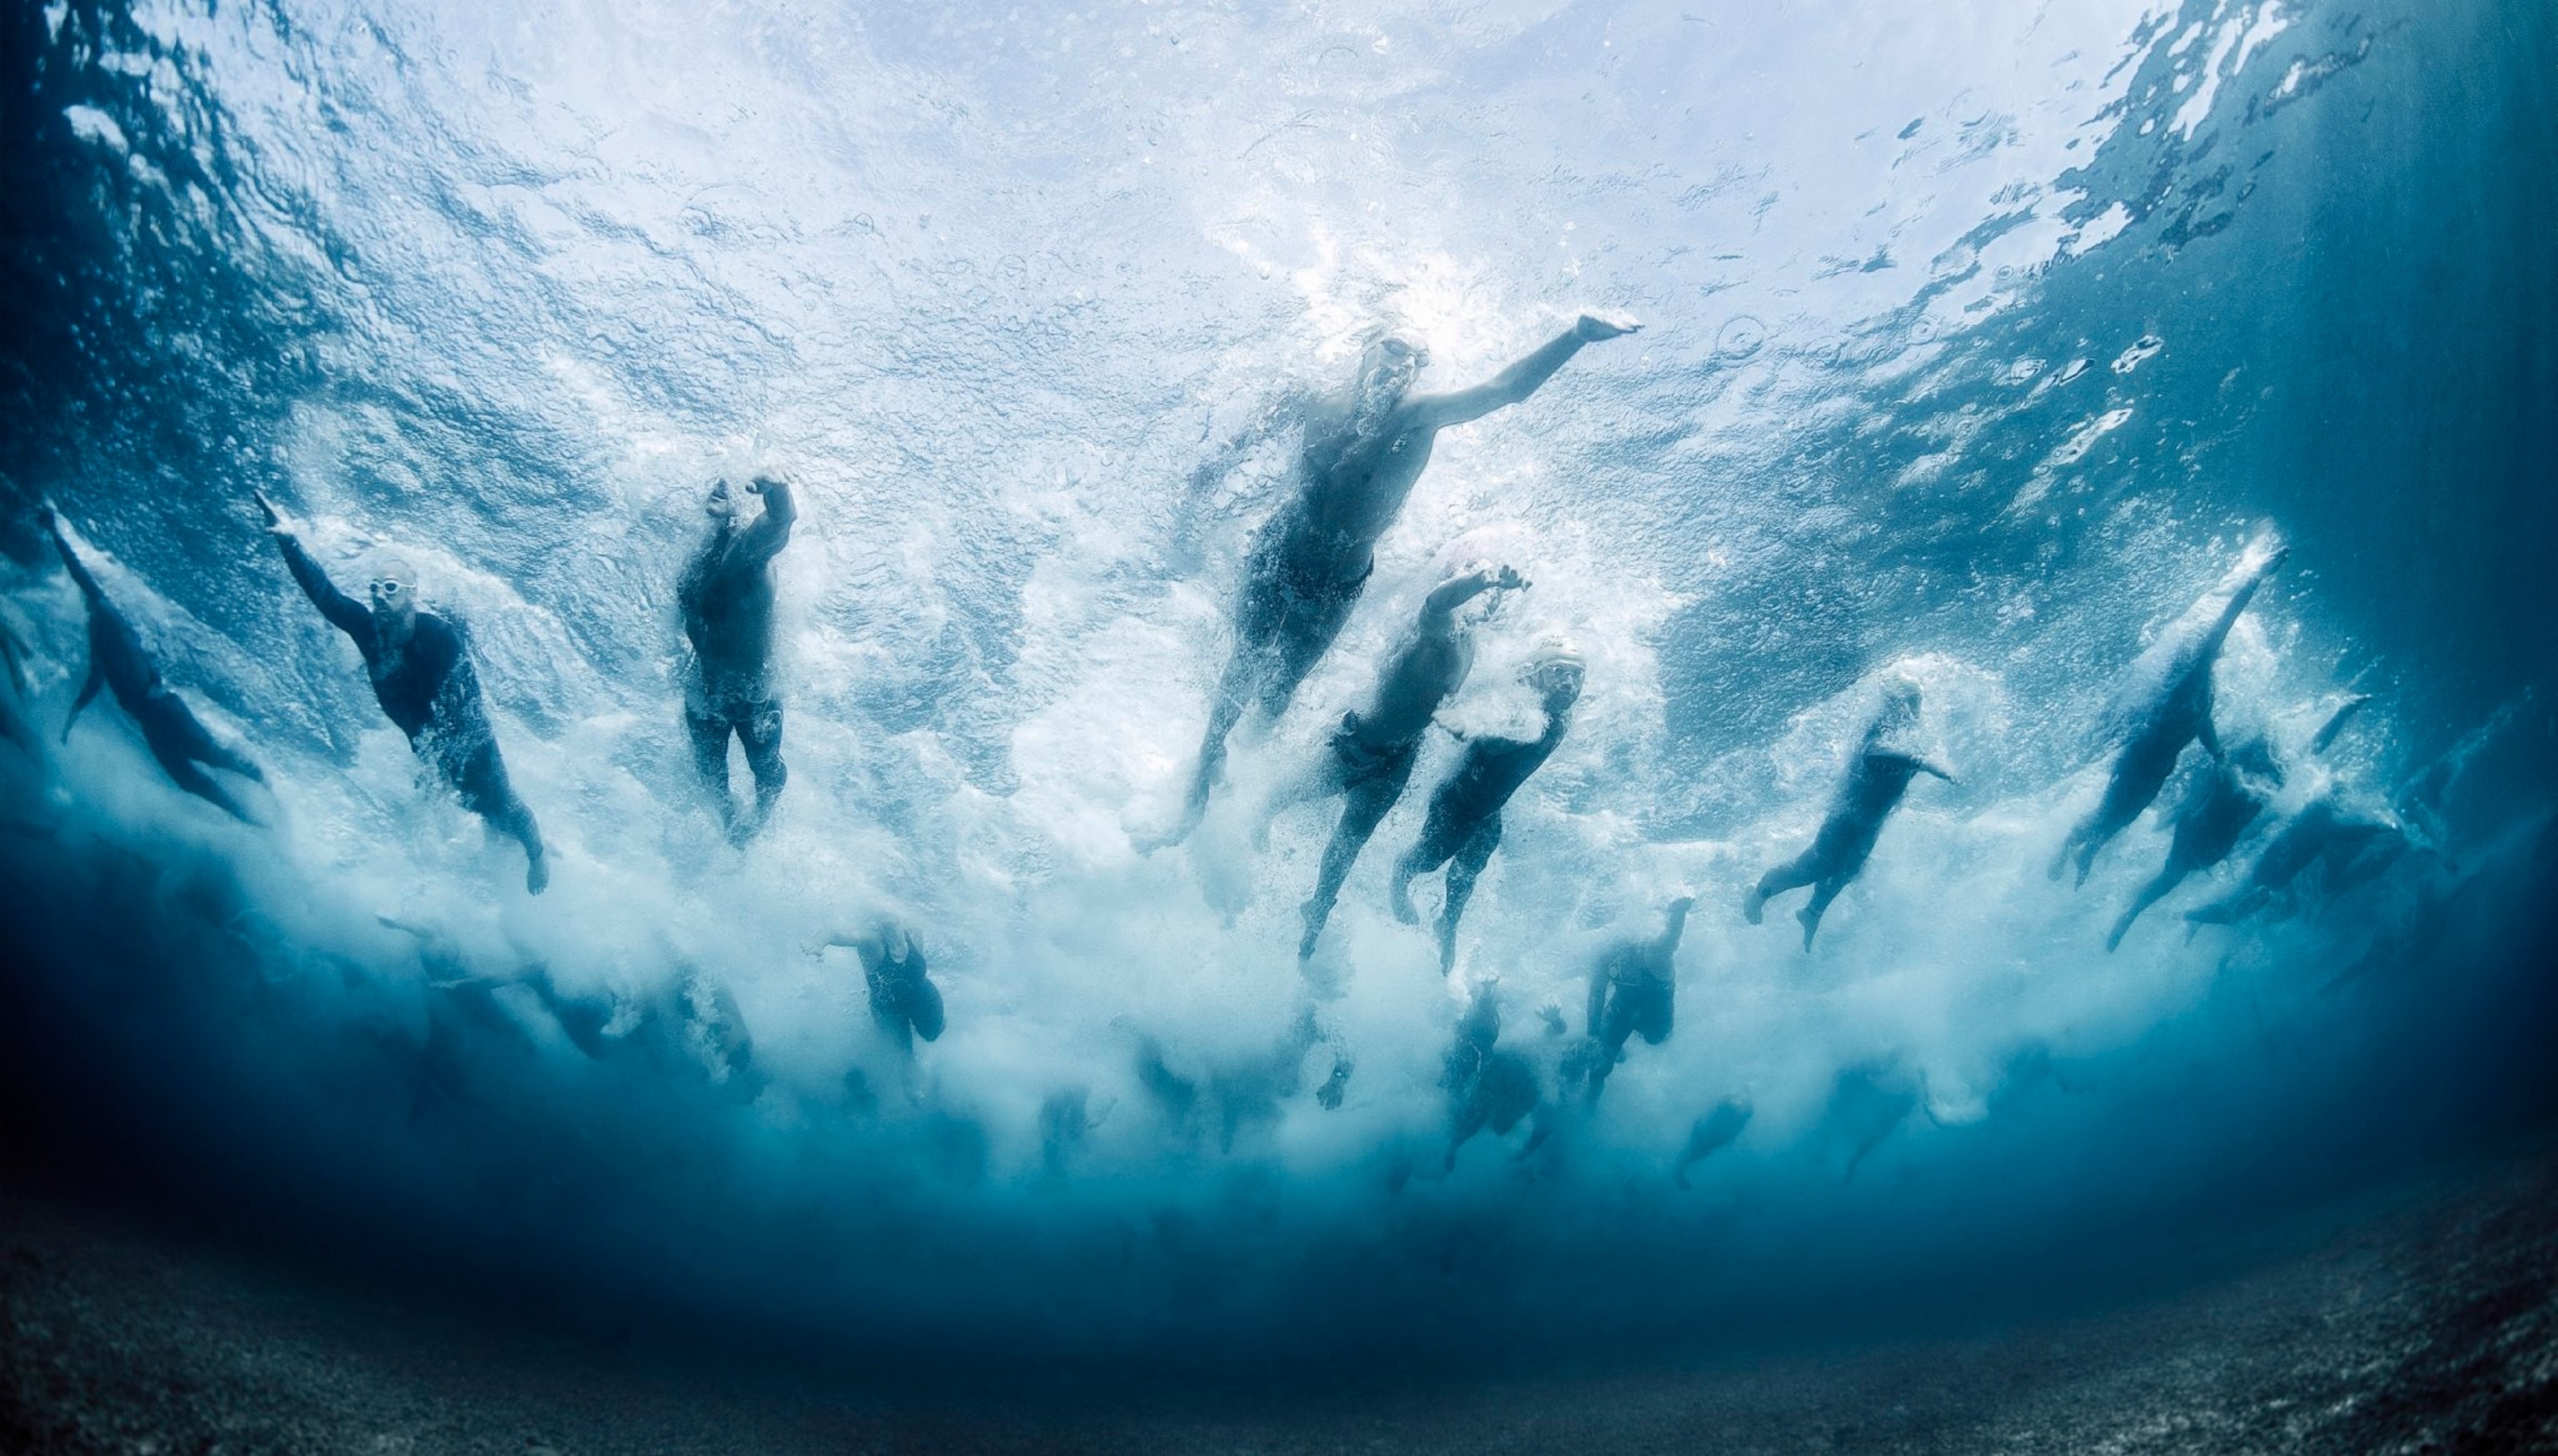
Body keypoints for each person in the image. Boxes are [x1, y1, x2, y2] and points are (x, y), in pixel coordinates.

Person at [1150, 312, 1639, 847]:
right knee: (1241, 662)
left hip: (1338, 577)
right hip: (1278, 547)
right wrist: (1207, 479)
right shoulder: (1310, 398)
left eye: (1418, 360)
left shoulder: (1419, 416)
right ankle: (1202, 773)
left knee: (1283, 686)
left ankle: (1244, 765)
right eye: (1396, 349)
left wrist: (1575, 337)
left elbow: (1506, 390)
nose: (1406, 366)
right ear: (1366, 348)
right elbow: (1245, 442)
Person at [256, 491, 548, 892]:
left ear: (412, 594)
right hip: (428, 746)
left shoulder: (441, 639)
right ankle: (497, 858)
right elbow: (325, 596)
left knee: (502, 806)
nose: (378, 594)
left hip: (473, 746)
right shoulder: (368, 632)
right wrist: (288, 540)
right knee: (475, 813)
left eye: (390, 587)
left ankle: (538, 855)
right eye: (374, 587)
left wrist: (439, 765)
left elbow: (462, 713)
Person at [1269, 560, 1525, 959]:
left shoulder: (1471, 643)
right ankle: (1232, 839)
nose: (1489, 600)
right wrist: (1477, 581)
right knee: (1272, 803)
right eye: (1481, 590)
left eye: (1494, 595)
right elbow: (1436, 604)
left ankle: (1317, 912)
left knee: (1351, 840)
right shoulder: (1437, 628)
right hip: (1356, 744)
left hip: (1397, 761)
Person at [2053, 539, 2287, 886]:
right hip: (2141, 762)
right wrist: (2256, 576)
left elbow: (2201, 721)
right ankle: (2065, 850)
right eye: (2217, 649)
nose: (2223, 651)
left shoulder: (2203, 688)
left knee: (2124, 818)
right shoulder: (2191, 677)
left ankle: (2088, 852)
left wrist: (2218, 752)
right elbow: (2222, 623)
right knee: (2107, 815)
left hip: (2158, 768)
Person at [43, 508, 264, 822]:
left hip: (162, 708)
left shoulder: (107, 612)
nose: (83, 598)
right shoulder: (97, 632)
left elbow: (80, 574)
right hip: (149, 720)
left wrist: (55, 532)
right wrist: (72, 718)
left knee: (211, 756)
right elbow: (95, 680)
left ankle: (266, 784)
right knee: (187, 781)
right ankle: (250, 818)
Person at [1388, 639, 1586, 973]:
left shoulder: (1560, 717)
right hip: (1457, 801)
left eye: (1577, 675)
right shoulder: (1525, 711)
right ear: (1537, 677)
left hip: (1489, 809)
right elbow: (1488, 740)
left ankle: (1447, 925)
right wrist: (1465, 724)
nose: (1569, 683)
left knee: (1469, 871)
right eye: (1557, 672)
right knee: (1432, 859)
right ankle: (1399, 876)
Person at [1744, 679, 1952, 950]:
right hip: (1847, 817)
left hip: (1870, 822)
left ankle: (1811, 913)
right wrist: (1922, 763)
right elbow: (1873, 753)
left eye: (1918, 703)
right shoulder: (1879, 731)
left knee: (1849, 869)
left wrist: (1919, 761)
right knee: (1816, 867)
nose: (1914, 711)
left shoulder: (1907, 734)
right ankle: (1758, 895)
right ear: (1892, 704)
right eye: (1909, 703)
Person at [678, 475, 797, 837]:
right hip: (704, 692)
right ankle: (731, 826)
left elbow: (781, 522)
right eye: (715, 485)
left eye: (727, 488)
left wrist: (778, 489)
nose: (718, 489)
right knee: (710, 775)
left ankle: (760, 822)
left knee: (765, 769)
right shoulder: (696, 562)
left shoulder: (748, 552)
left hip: (754, 696)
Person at [2105, 735, 2282, 951]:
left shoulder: (2236, 776)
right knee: (2173, 876)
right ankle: (2137, 914)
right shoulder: (2264, 784)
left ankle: (2132, 913)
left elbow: (2205, 787)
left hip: (2202, 833)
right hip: (2211, 841)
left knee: (2171, 876)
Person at [2182, 788, 2402, 931]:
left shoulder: (2306, 817)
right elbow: (2349, 833)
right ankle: (2192, 914)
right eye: (2337, 802)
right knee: (2240, 913)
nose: (2338, 807)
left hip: (2270, 868)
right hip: (2275, 874)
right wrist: (2381, 827)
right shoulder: (2322, 827)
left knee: (2284, 907)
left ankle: (2201, 914)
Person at [1576, 896, 1692, 1103]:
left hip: (1656, 1018)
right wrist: (1594, 1037)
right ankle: (1590, 1106)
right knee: (1598, 1067)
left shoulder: (1651, 950)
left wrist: (1679, 913)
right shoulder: (1605, 955)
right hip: (1621, 1009)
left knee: (1655, 1040)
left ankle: (1619, 1047)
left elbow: (1672, 938)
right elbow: (1596, 992)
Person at [809, 918, 945, 1054]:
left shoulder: (912, 930)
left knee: (933, 1034)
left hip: (921, 994)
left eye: (893, 919)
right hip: (888, 1009)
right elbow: (833, 934)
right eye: (885, 920)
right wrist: (817, 943)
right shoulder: (871, 940)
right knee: (903, 1057)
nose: (890, 924)